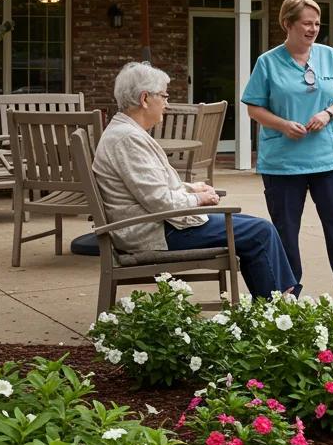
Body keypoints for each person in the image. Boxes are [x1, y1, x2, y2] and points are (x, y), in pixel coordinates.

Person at [93, 62, 299, 298]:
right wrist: (198, 199)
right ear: (144, 99)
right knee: (260, 232)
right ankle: (276, 306)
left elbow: (148, 187)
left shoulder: (125, 133)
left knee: (251, 228)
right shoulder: (127, 139)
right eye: (163, 96)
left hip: (158, 224)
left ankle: (272, 304)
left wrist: (189, 187)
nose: (167, 104)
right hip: (157, 233)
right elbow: (160, 201)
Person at [241, 0, 333, 309]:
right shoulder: (268, 62)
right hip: (284, 161)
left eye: (316, 23)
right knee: (286, 229)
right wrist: (283, 125)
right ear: (288, 23)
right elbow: (253, 108)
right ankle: (288, 291)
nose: (313, 29)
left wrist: (328, 114)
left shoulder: (330, 56)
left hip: (330, 156)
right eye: (306, 23)